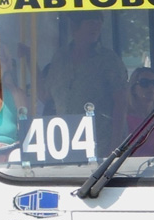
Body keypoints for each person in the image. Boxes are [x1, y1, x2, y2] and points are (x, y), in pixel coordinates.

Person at [44, 11, 127, 153]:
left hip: (100, 142)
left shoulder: (109, 60)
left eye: (99, 24)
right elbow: (46, 96)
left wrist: (116, 145)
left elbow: (121, 102)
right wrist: (29, 62)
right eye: (91, 23)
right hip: (64, 143)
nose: (96, 28)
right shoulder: (60, 57)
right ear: (74, 26)